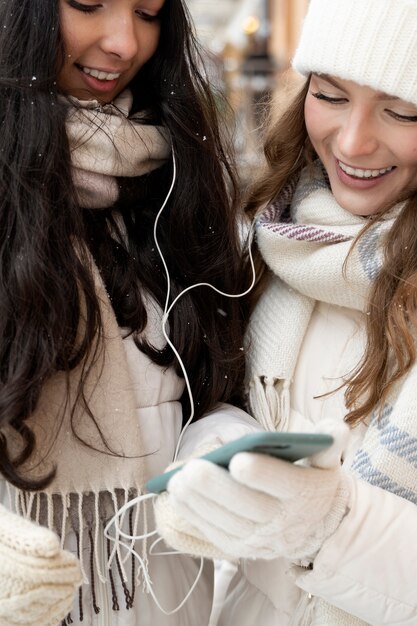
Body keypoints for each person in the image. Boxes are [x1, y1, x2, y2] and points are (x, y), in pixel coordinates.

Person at [154, 0, 417, 624]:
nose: (352, 142)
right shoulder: (279, 240)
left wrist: (330, 523)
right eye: (329, 94)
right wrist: (220, 445)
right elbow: (231, 404)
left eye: (403, 110)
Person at [0, 0, 258, 624]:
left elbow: (208, 389)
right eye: (89, 4)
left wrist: (222, 448)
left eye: (147, 13)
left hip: (164, 593)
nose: (123, 42)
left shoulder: (173, 182)